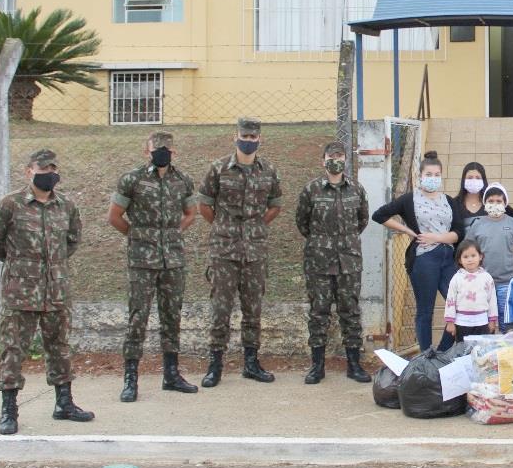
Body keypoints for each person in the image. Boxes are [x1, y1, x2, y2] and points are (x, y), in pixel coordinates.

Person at [0, 149, 93, 435]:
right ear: (28, 172)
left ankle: (64, 403)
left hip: (56, 289)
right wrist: (22, 266)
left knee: (59, 347)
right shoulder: (11, 205)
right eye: (42, 170)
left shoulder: (66, 206)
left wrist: (51, 267)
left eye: (52, 170)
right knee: (13, 350)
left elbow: (72, 241)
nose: (48, 175)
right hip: (21, 292)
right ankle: (9, 410)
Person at [108, 131, 199, 403]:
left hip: (173, 260)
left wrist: (171, 235)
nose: (162, 153)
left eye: (167, 149)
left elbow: (190, 213)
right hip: (142, 261)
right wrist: (139, 237)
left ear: (174, 152)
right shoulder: (132, 179)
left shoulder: (182, 180)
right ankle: (130, 379)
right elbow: (114, 216)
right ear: (145, 152)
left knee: (172, 316)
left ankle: (171, 375)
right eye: (156, 149)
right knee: (138, 318)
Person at [196, 117, 283, 387]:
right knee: (221, 309)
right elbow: (205, 206)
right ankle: (215, 364)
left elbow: (275, 206)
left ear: (260, 139)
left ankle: (251, 363)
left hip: (255, 250)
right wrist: (226, 228)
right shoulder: (218, 168)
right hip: (224, 250)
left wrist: (253, 227)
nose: (248, 141)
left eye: (253, 137)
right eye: (244, 136)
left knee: (252, 308)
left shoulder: (268, 170)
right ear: (235, 136)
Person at [372, 150, 466, 351]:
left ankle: (441, 351)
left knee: (460, 305)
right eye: (428, 175)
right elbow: (379, 215)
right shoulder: (409, 199)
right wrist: (407, 230)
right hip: (424, 260)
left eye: (436, 175)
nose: (433, 179)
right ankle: (426, 355)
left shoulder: (449, 201)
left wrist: (437, 237)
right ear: (420, 176)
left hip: (448, 258)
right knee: (425, 311)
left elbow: (459, 232)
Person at [295, 142, 370, 384]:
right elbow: (302, 222)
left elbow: (362, 221)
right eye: (330, 156)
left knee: (350, 312)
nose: (335, 159)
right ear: (323, 160)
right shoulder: (312, 190)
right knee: (319, 313)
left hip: (349, 261)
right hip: (319, 261)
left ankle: (354, 364)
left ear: (345, 160)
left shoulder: (356, 189)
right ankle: (317, 366)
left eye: (339, 155)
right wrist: (323, 243)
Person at [464, 183, 513, 331]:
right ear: (485, 203)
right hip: (482, 282)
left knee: (506, 321)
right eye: (491, 201)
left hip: (507, 282)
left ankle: (506, 351)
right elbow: (469, 251)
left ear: (505, 203)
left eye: (499, 201)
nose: (495, 204)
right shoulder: (477, 224)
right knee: (485, 322)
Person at [443, 240, 498, 345]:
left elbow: (492, 300)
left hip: (482, 322)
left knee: (482, 351)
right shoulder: (456, 278)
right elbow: (450, 300)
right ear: (460, 260)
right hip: (462, 323)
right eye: (466, 257)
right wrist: (450, 322)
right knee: (463, 352)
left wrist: (492, 320)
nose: (470, 259)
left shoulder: (487, 277)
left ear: (480, 256)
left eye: (473, 255)